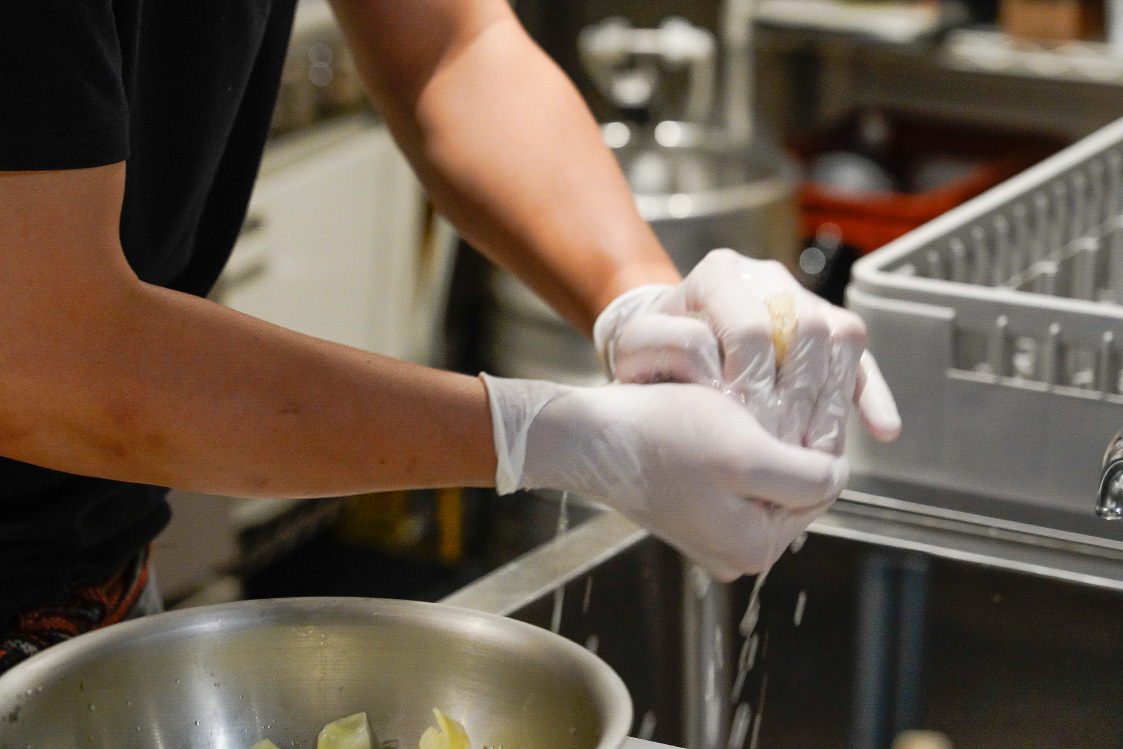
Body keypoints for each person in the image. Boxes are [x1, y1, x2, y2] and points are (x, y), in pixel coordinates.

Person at [0, 0, 900, 674]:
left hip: (92, 582)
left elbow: (448, 45)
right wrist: (537, 434)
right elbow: (49, 357)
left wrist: (640, 296)